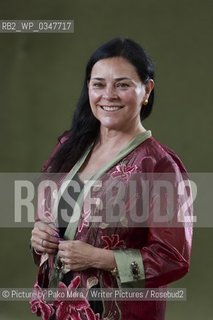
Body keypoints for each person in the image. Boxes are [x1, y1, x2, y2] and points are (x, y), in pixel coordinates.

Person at [30, 37, 193, 320]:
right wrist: (40, 238)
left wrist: (97, 258)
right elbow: (58, 222)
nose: (109, 95)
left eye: (122, 84)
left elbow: (172, 259)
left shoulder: (160, 165)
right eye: (98, 84)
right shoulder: (70, 146)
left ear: (147, 90)